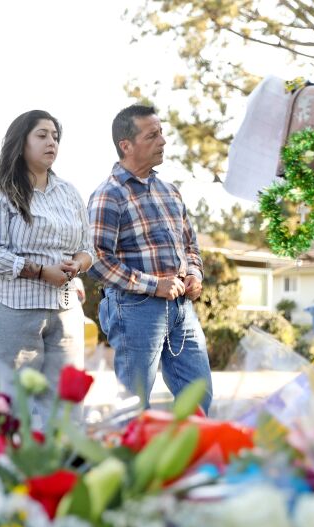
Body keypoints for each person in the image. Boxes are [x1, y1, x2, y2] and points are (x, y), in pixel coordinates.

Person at [87, 104, 213, 413]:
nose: (163, 141)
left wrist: (194, 273)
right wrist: (153, 284)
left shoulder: (170, 191)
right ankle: (128, 461)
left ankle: (193, 461)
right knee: (133, 406)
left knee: (199, 397)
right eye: (152, 135)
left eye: (161, 133)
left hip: (182, 309)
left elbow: (190, 244)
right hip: (135, 310)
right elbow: (96, 259)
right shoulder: (109, 194)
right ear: (126, 145)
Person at [0, 110, 92, 419]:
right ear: (20, 142)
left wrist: (77, 264)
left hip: (65, 312)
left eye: (55, 136)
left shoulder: (68, 192)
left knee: (66, 410)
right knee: (18, 411)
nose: (51, 142)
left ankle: (59, 468)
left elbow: (88, 248)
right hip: (9, 309)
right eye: (42, 135)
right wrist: (40, 271)